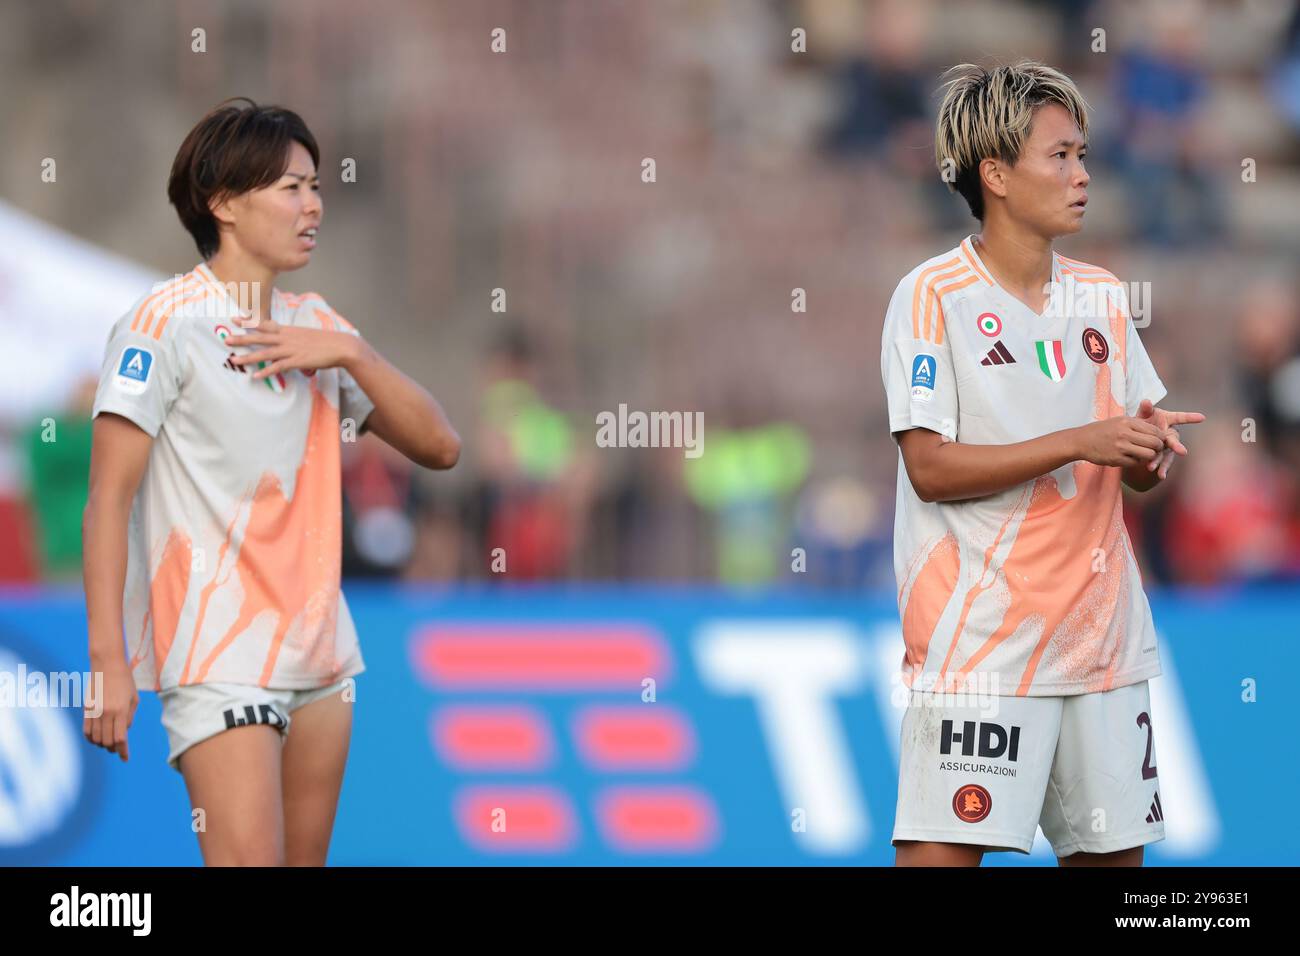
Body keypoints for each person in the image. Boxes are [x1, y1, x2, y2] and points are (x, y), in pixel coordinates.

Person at [81, 98, 461, 865]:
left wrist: (353, 356)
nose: (313, 203)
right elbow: (107, 499)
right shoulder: (164, 323)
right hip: (217, 657)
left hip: (322, 657)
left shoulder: (317, 324)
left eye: (316, 185)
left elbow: (442, 446)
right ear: (223, 203)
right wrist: (108, 664)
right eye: (290, 187)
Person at [879, 62, 1205, 866]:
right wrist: (1080, 441)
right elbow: (931, 467)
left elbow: (1127, 472)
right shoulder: (931, 297)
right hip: (983, 646)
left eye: (1083, 154)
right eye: (1059, 156)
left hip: (1102, 645)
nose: (1083, 174)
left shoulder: (1101, 296)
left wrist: (1143, 453)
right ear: (995, 174)